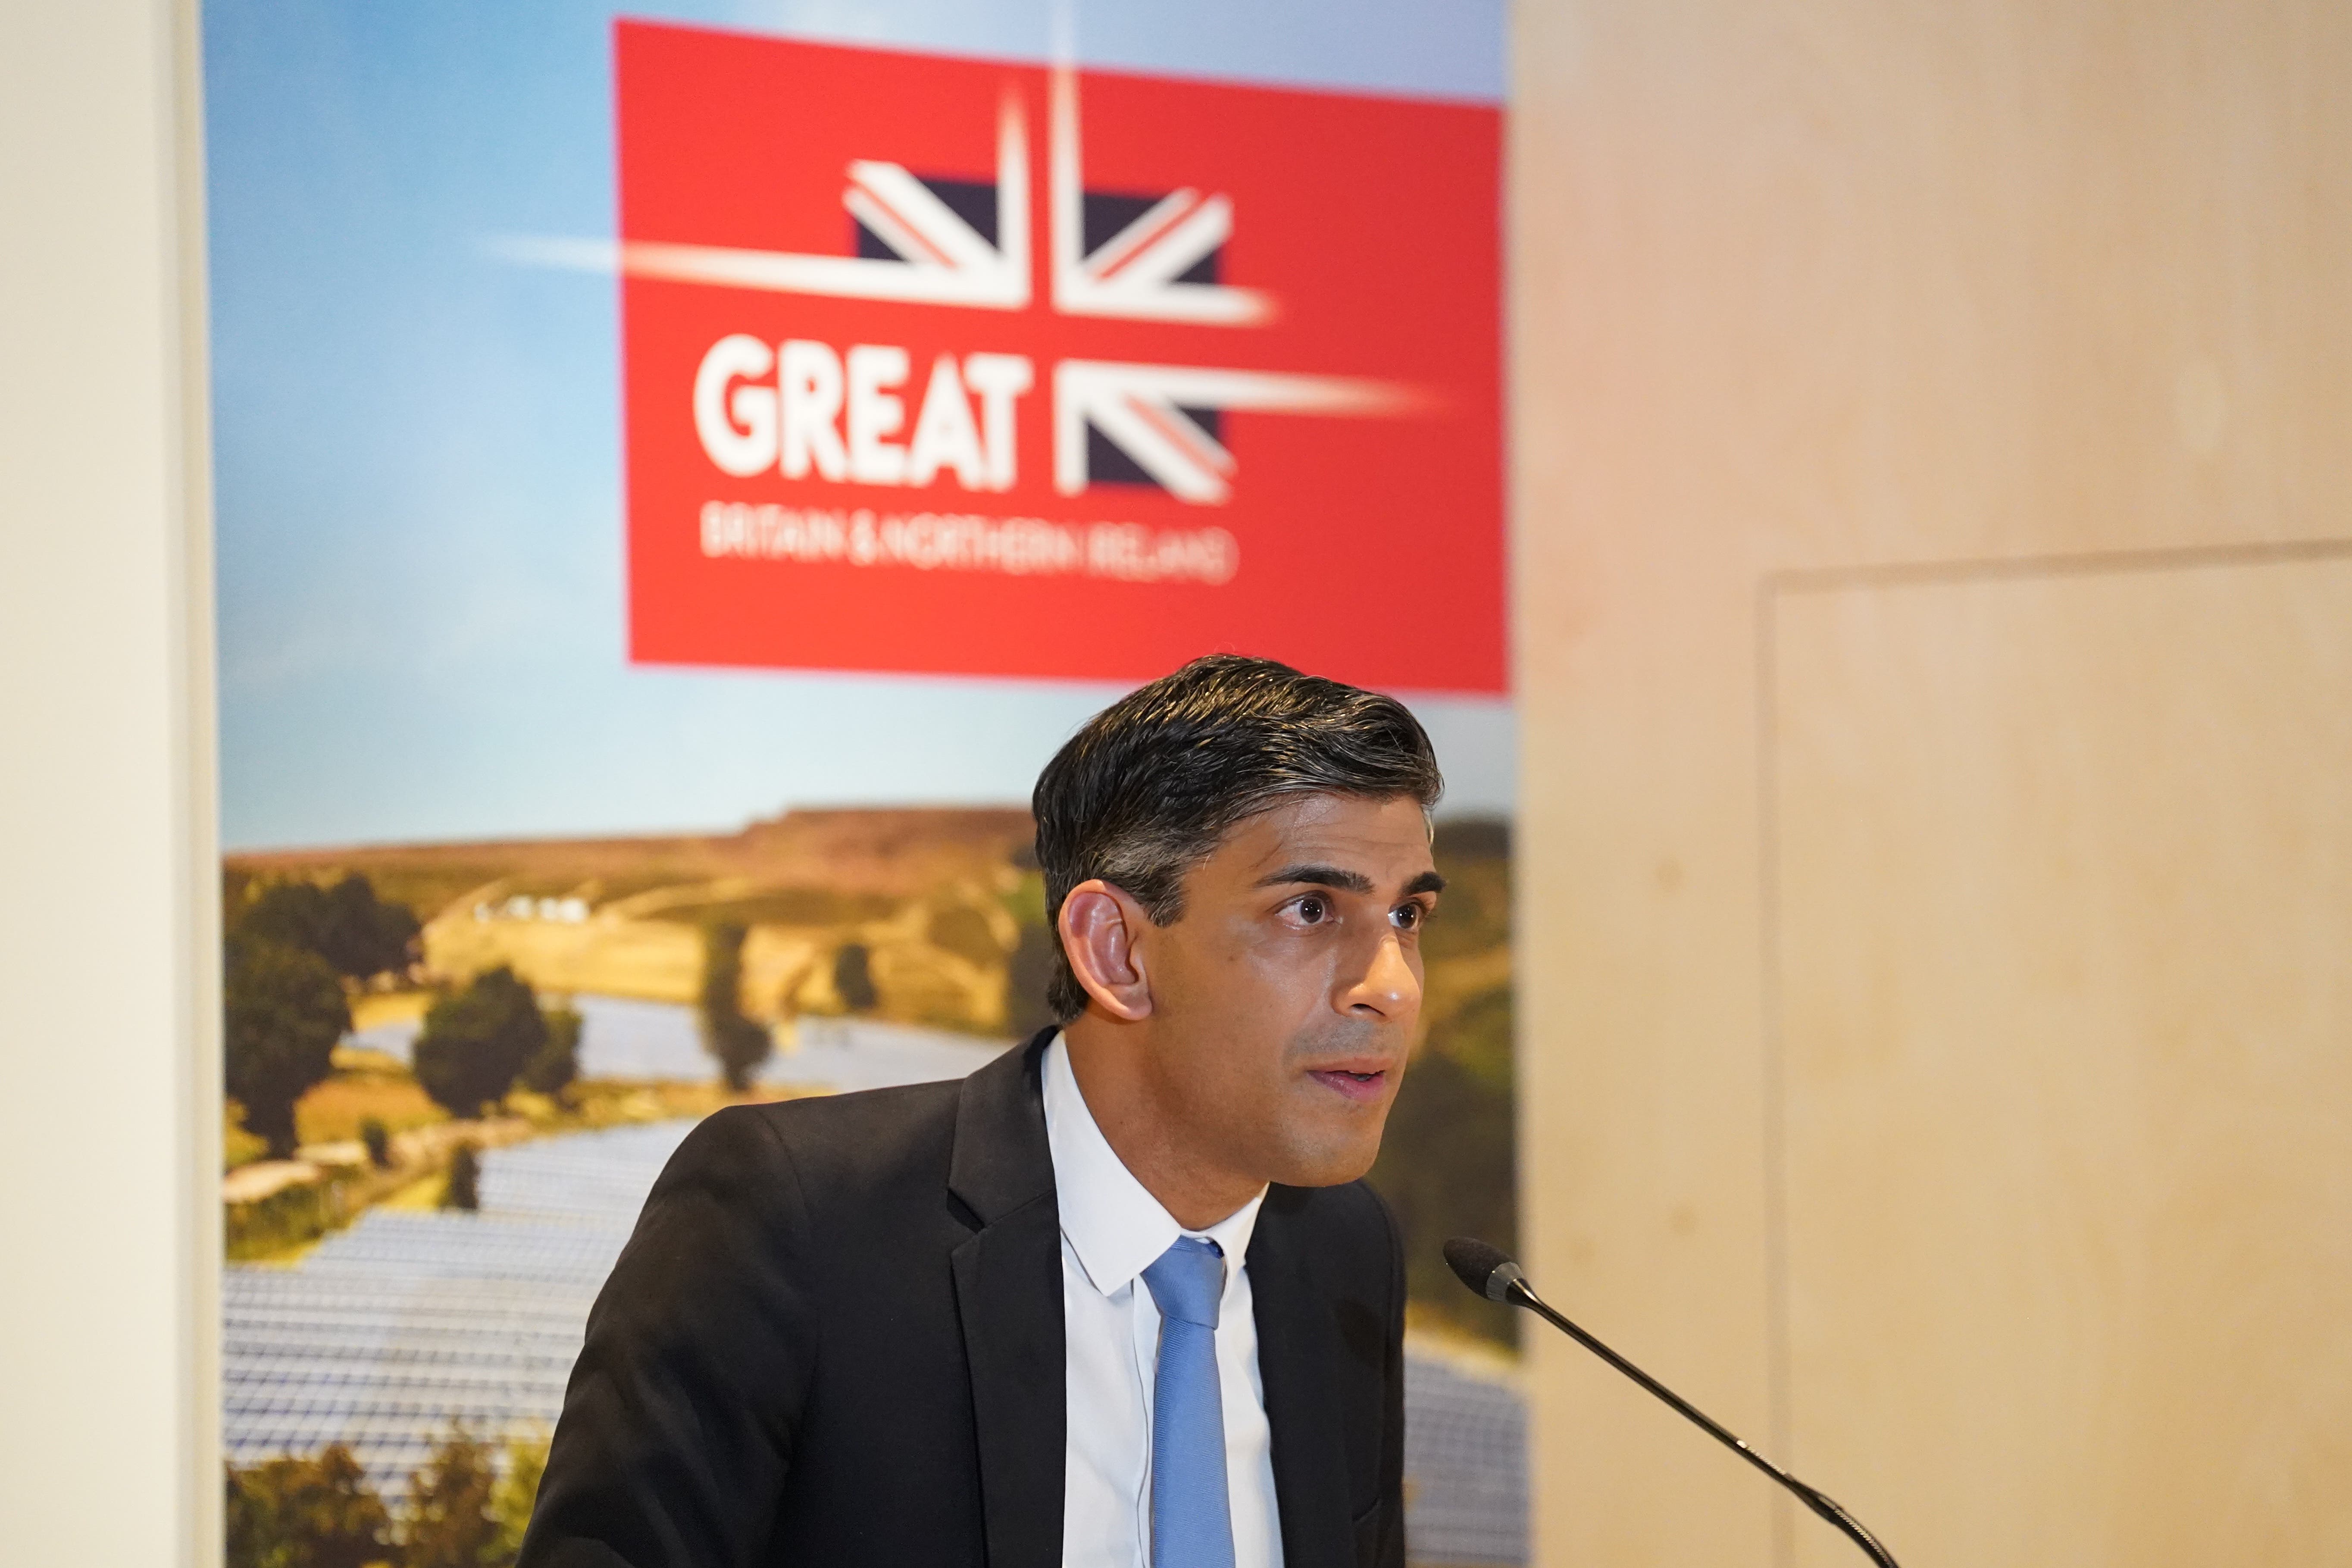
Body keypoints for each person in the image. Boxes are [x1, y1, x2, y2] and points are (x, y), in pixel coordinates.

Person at [519, 654, 1445, 1568]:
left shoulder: (1344, 1248)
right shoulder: (798, 1220)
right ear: (1115, 949)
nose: (1392, 988)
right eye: (1311, 910)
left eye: (1407, 917)